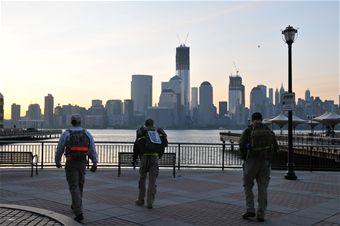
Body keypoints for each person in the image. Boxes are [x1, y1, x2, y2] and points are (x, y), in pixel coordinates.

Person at [55, 114, 98, 223]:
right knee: (80, 185)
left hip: (71, 163)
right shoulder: (87, 133)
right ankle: (76, 205)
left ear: (71, 122)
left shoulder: (66, 134)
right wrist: (94, 163)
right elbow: (92, 149)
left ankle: (78, 212)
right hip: (83, 163)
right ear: (80, 122)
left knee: (73, 186)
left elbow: (60, 148)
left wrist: (57, 161)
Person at [239, 112, 278, 222]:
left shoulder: (248, 130)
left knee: (247, 185)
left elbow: (241, 144)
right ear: (262, 119)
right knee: (262, 188)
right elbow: (275, 148)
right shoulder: (269, 131)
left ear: (252, 120)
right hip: (265, 163)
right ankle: (261, 213)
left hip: (251, 162)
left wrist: (244, 157)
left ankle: (250, 209)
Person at [133, 118, 168, 209]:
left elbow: (136, 146)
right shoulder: (158, 132)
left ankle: (140, 200)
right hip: (154, 157)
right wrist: (158, 156)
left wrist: (135, 158)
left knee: (142, 179)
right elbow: (163, 145)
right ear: (153, 124)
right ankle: (150, 202)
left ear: (145, 124)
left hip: (144, 157)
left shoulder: (142, 132)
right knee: (152, 181)